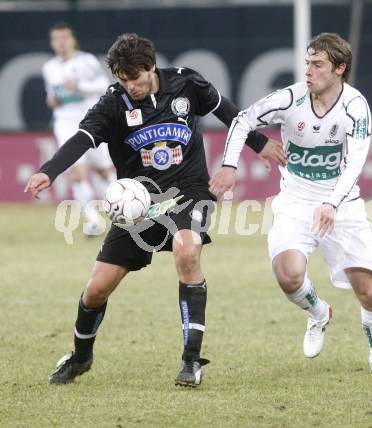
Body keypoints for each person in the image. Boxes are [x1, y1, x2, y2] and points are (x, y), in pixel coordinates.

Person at [26, 33, 286, 387]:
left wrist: (258, 144)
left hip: (190, 191)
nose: (130, 86)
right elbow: (82, 138)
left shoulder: (186, 83)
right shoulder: (113, 102)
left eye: (135, 78)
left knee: (187, 248)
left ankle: (191, 360)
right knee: (96, 289)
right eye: (123, 80)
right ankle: (81, 357)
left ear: (151, 67)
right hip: (139, 204)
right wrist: (49, 170)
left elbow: (227, 111)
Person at [210, 33, 372, 381]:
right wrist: (229, 166)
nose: (309, 71)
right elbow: (242, 120)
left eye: (318, 64)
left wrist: (331, 202)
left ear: (340, 69)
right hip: (296, 202)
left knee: (369, 292)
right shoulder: (289, 98)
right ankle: (318, 313)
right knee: (288, 274)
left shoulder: (355, 107)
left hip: (342, 204)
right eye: (307, 63)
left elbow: (355, 162)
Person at [42, 22, 115, 234]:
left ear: (73, 40)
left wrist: (79, 87)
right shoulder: (49, 67)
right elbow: (51, 94)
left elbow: (103, 86)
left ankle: (124, 209)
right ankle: (93, 221)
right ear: (52, 42)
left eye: (65, 38)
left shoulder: (87, 61)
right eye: (57, 39)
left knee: (103, 171)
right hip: (65, 122)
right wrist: (52, 100)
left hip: (91, 121)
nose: (61, 43)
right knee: (76, 171)